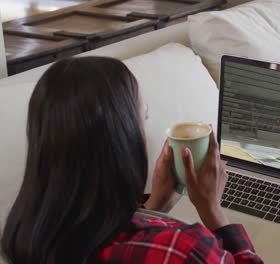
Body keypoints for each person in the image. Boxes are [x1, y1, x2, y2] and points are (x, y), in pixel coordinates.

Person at [0, 57, 263, 264]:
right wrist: (212, 210)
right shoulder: (184, 249)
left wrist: (154, 206)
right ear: (122, 140)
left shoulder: (24, 235)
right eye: (143, 118)